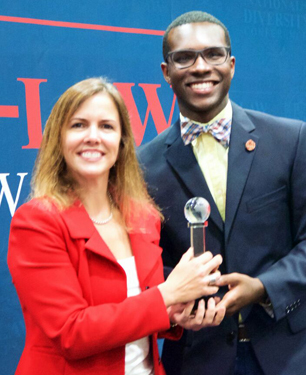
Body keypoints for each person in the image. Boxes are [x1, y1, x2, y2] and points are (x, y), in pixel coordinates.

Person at [138, 11, 306, 375]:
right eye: (184, 57)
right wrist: (180, 293)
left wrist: (263, 287)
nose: (201, 67)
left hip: (295, 353)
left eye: (213, 55)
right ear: (166, 72)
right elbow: (144, 263)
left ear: (231, 65)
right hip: (198, 356)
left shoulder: (289, 139)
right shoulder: (142, 166)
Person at [7, 77, 225, 375]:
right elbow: (71, 333)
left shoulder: (143, 217)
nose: (93, 137)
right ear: (58, 139)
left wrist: (176, 314)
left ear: (122, 142)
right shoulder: (37, 222)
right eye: (78, 125)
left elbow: (137, 316)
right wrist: (167, 295)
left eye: (106, 126)